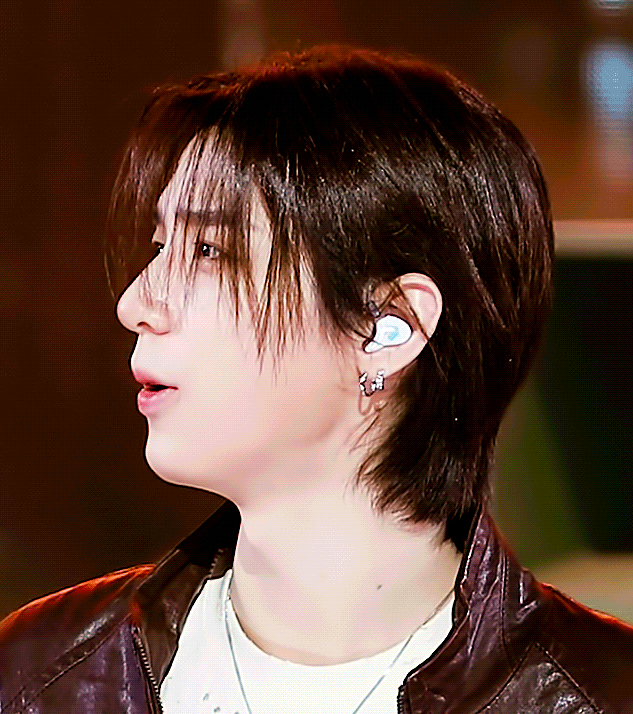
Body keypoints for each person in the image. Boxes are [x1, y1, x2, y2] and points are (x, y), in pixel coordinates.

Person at [1, 45, 632, 714]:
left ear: (387, 328)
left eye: (209, 250)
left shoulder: (596, 695)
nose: (136, 302)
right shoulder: (41, 676)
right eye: (160, 247)